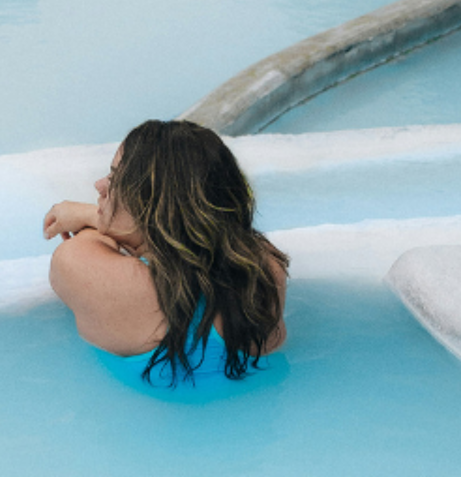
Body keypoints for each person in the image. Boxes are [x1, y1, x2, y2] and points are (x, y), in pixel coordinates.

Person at [43, 119, 289, 386]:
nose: (100, 186)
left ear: (150, 206)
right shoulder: (266, 270)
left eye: (115, 178)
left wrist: (90, 218)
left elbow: (91, 245)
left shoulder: (92, 270)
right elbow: (224, 234)